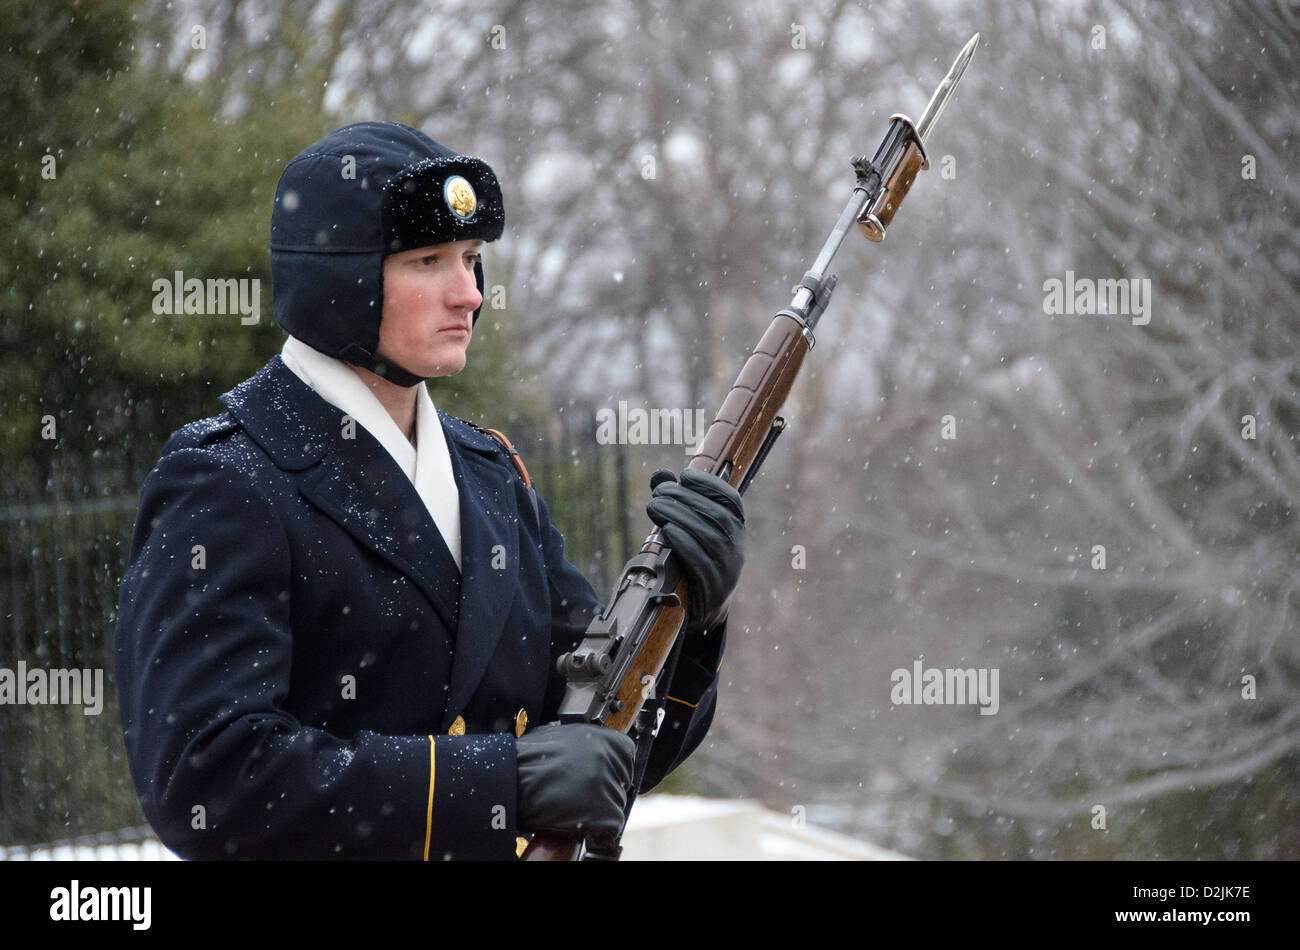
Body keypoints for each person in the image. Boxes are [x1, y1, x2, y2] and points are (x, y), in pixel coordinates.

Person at [115, 121, 745, 860]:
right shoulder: (226, 477)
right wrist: (499, 784)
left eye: (473, 260)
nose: (469, 293)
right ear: (336, 278)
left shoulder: (491, 478)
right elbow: (207, 777)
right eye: (429, 261)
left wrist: (691, 619)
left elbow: (602, 753)